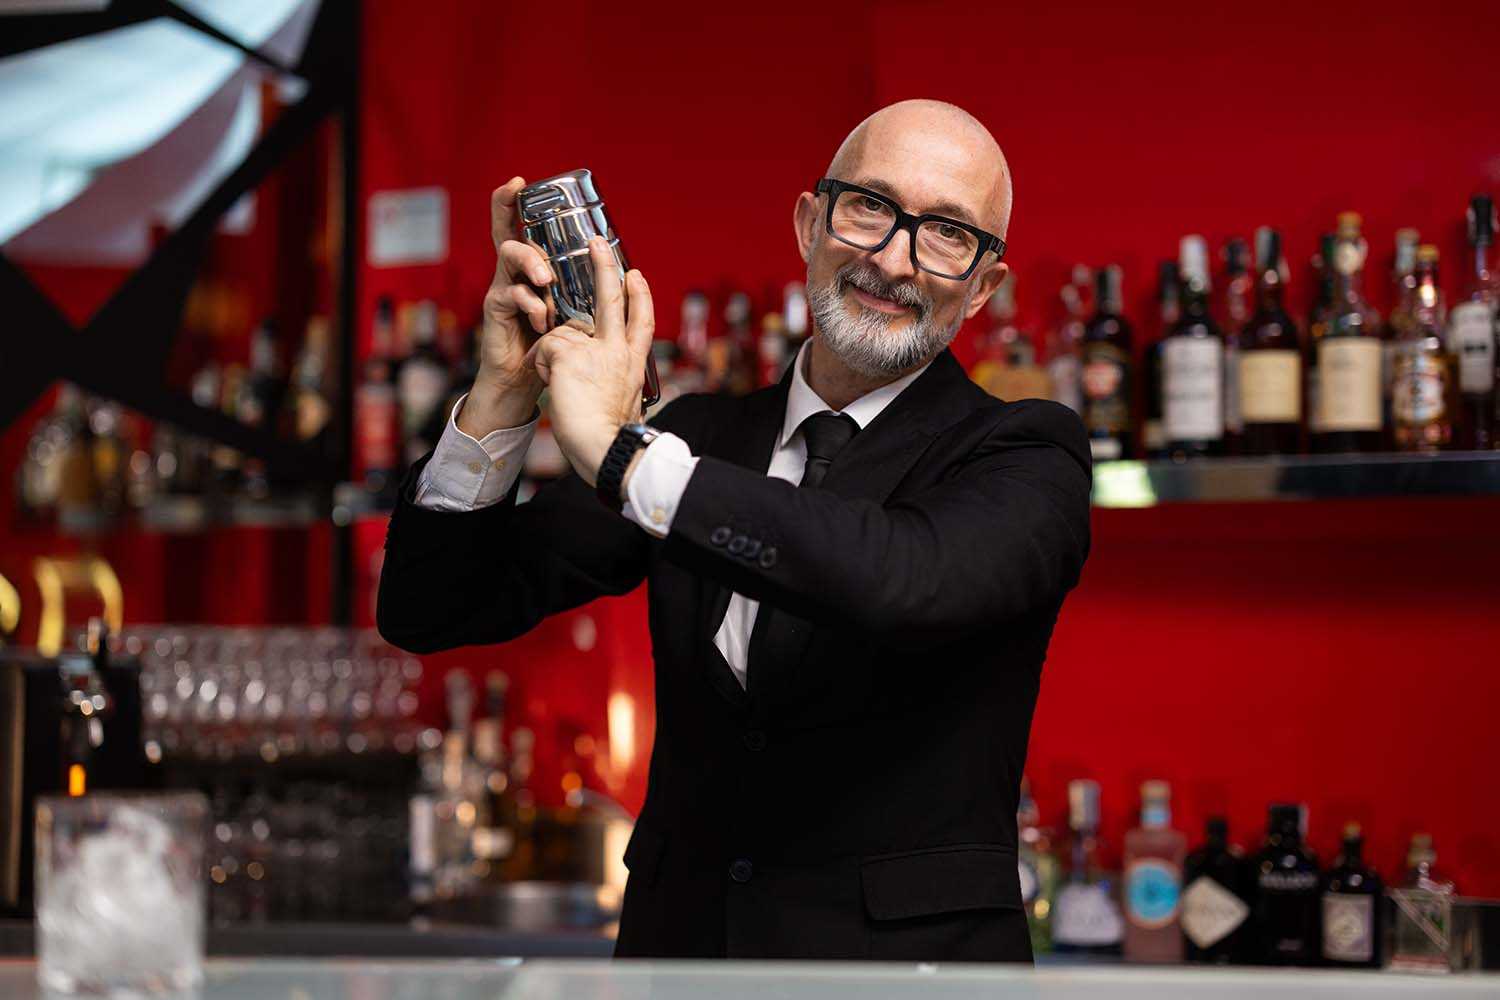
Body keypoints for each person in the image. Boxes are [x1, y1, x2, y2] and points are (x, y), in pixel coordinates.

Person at [377, 99, 1091, 962]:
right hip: (681, 965)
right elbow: (430, 607)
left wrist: (622, 455)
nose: (893, 259)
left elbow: (905, 579)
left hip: (908, 979)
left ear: (982, 287)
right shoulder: (700, 437)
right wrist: (500, 396)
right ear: (809, 223)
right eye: (870, 207)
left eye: (946, 233)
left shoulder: (1028, 452)